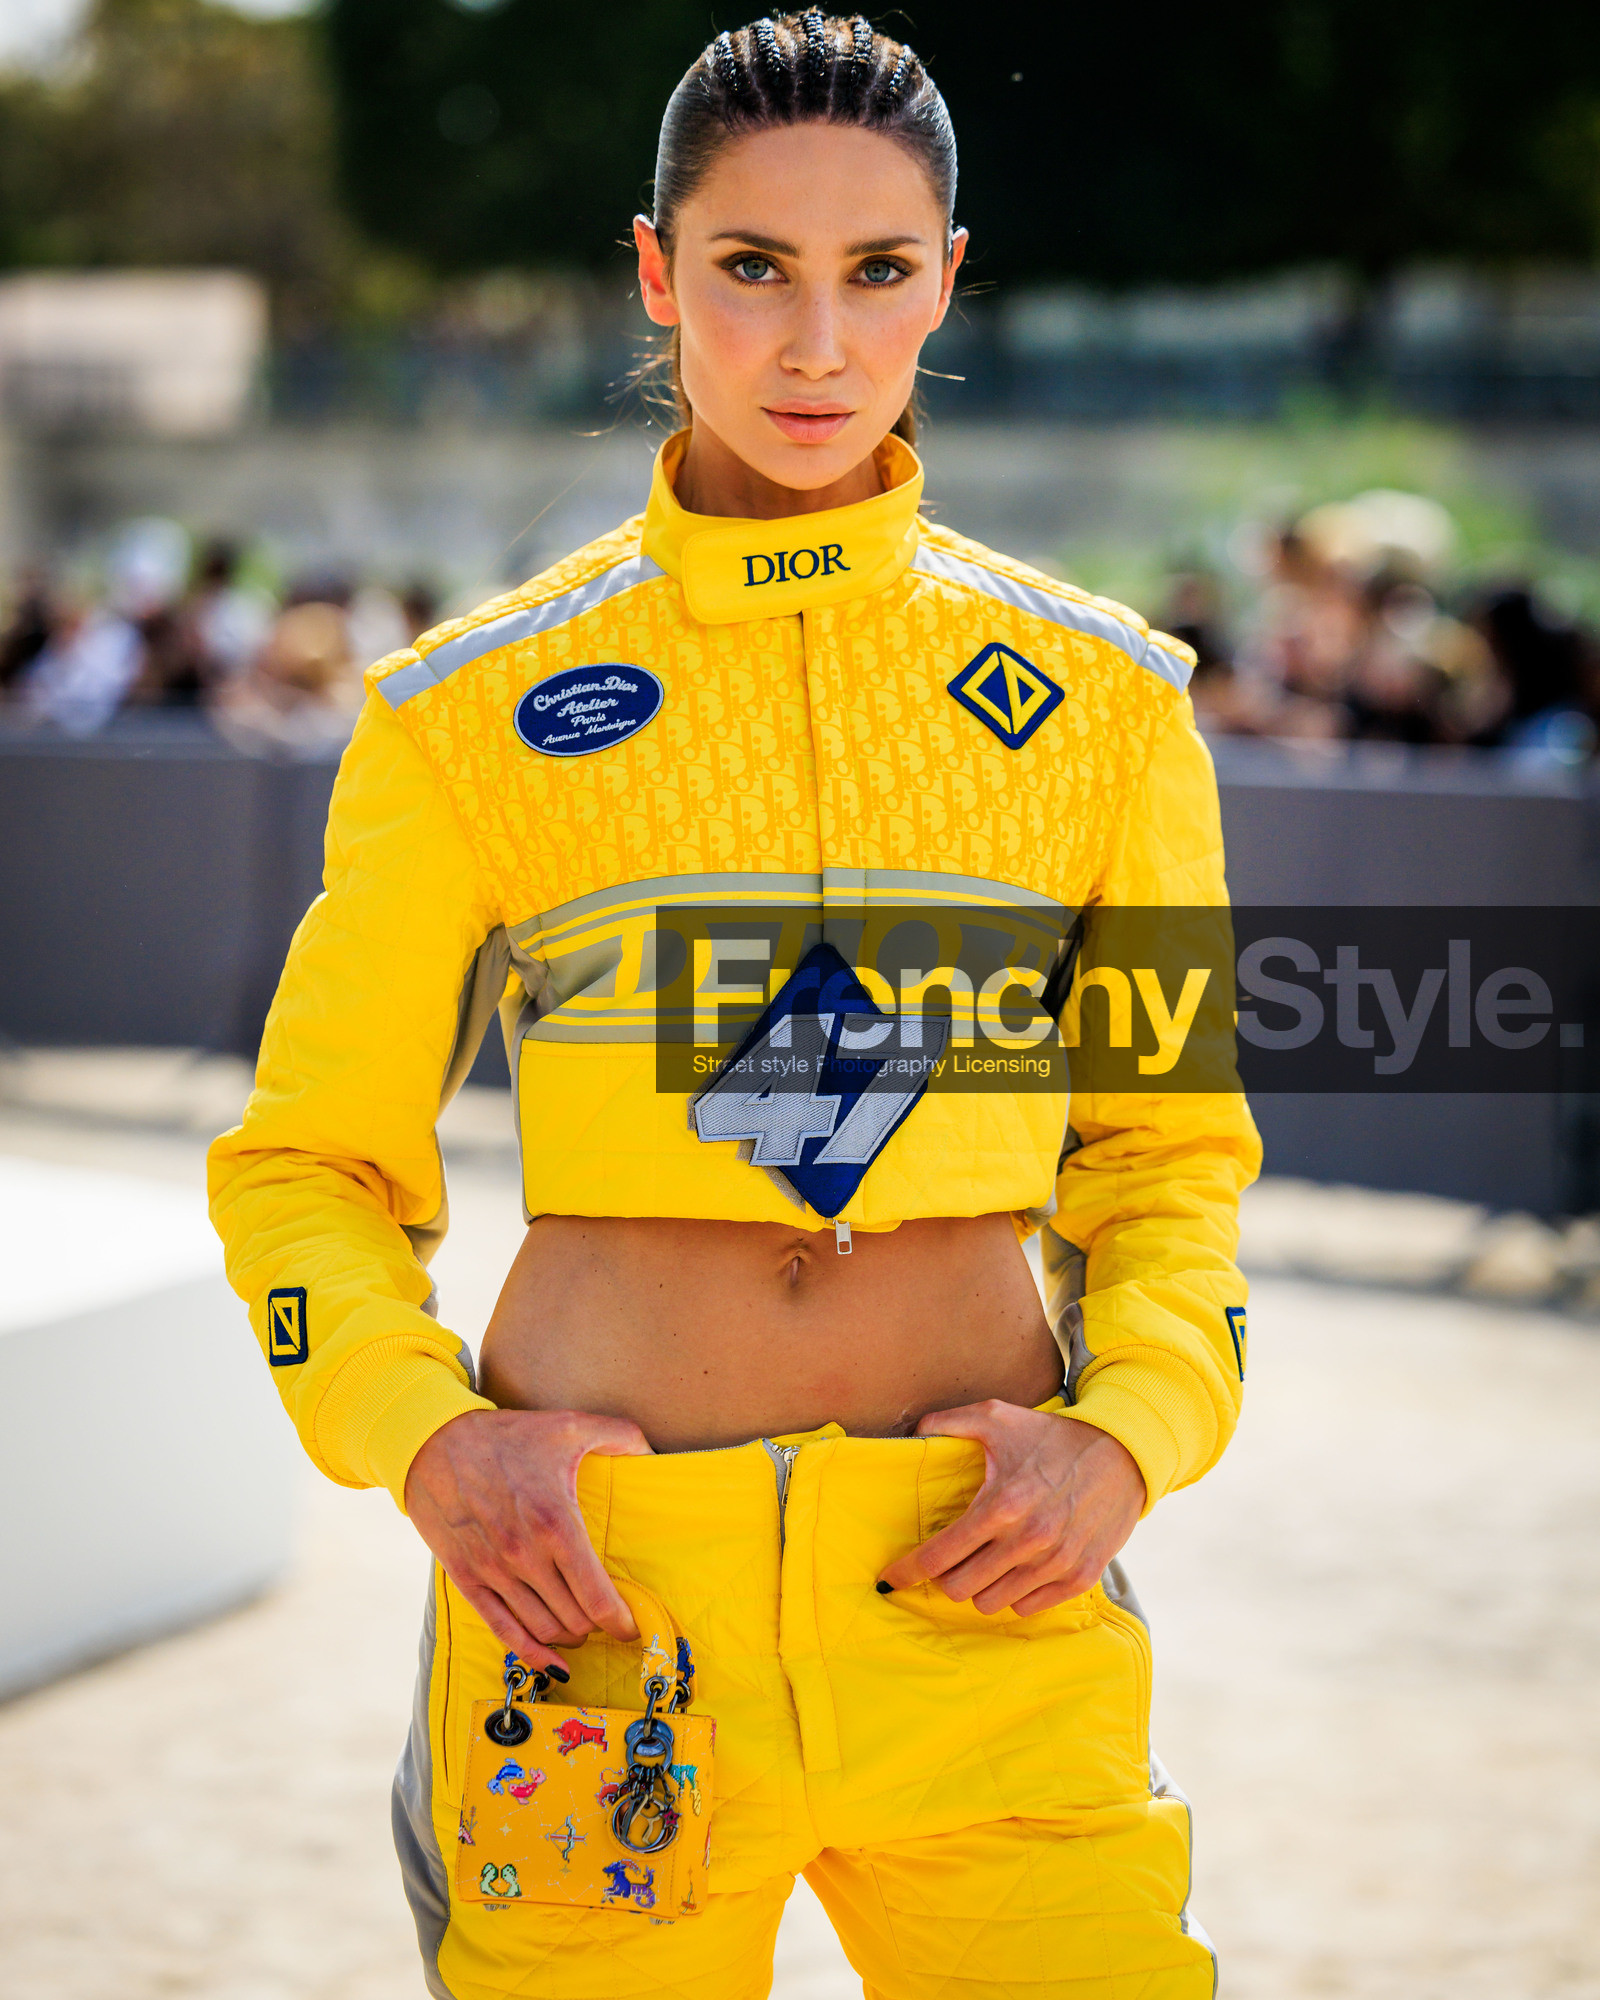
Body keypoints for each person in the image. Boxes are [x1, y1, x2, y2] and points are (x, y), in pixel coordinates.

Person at [208, 14, 1258, 1997]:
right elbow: (303, 1167)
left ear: (946, 281)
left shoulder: (1109, 707)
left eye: (878, 270)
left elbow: (1165, 1155)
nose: (815, 343)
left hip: (990, 1581)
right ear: (654, 272)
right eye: (752, 266)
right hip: (592, 1605)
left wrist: (1126, 1439)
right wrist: (424, 1443)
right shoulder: (465, 713)